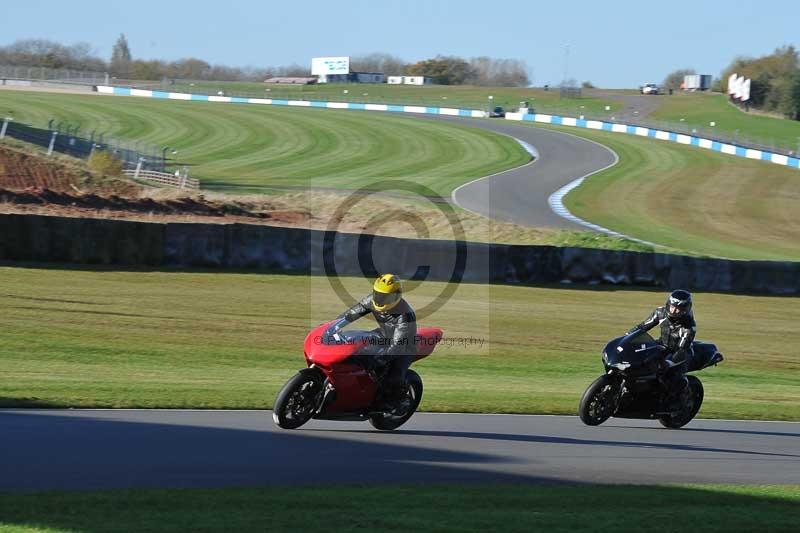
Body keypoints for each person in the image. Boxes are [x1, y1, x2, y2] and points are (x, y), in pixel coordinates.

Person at [337, 274, 417, 412]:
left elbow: (397, 345)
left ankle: (399, 400)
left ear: (396, 296)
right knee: (355, 348)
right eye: (378, 294)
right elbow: (352, 313)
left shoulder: (405, 315)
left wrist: (381, 358)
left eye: (385, 296)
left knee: (393, 376)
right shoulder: (372, 300)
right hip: (383, 335)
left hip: (404, 347)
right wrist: (334, 325)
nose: (380, 299)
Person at [629, 289, 696, 410]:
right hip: (662, 344)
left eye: (678, 309)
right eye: (672, 306)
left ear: (685, 310)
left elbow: (682, 350)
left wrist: (668, 363)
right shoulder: (660, 312)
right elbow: (642, 327)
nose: (673, 310)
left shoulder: (689, 327)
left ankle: (680, 400)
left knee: (671, 375)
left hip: (680, 352)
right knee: (642, 359)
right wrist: (627, 337)